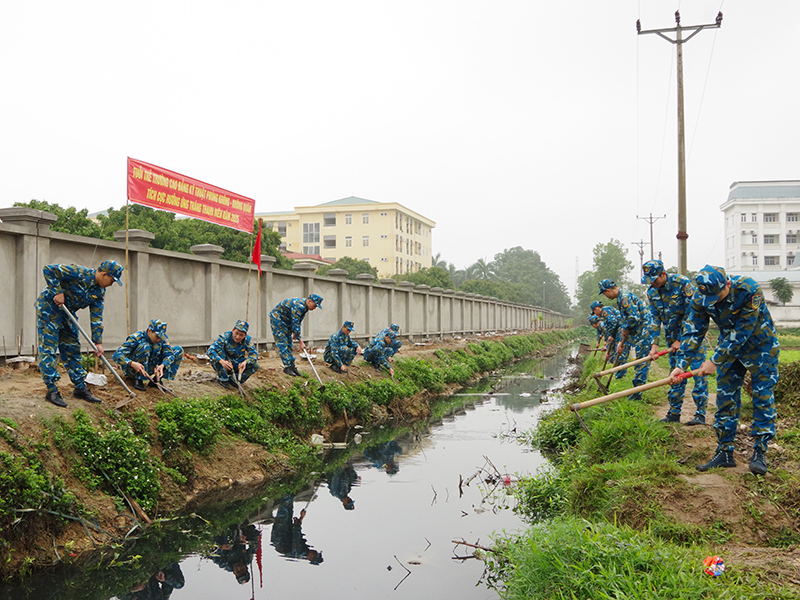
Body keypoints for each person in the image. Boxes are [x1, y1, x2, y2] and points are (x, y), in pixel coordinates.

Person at [670, 265, 779, 475]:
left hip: (761, 347)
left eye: (717, 296)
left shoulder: (748, 289)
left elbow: (743, 331)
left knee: (762, 396)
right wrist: (680, 365)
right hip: (728, 350)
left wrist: (714, 360)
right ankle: (725, 451)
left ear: (727, 284)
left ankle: (759, 451)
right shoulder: (701, 296)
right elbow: (693, 332)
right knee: (725, 397)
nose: (714, 301)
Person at [36, 260, 124, 407]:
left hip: (68, 313)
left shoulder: (99, 291)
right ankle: (51, 390)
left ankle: (80, 387)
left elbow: (96, 316)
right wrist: (58, 292)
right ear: (104, 274)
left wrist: (98, 342)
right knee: (49, 349)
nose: (111, 284)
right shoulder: (77, 272)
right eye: (112, 280)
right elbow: (49, 270)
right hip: (49, 310)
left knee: (72, 348)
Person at [642, 260, 708, 426]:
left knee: (697, 372)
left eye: (655, 279)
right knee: (675, 374)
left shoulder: (682, 284)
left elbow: (692, 314)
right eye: (650, 280)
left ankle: (700, 414)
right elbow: (655, 318)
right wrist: (654, 345)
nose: (653, 283)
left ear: (663, 274)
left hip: (693, 338)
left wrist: (681, 339)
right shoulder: (652, 292)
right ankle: (674, 413)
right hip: (672, 340)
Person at [598, 279, 655, 399]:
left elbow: (633, 317)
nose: (606, 297)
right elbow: (627, 317)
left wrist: (626, 328)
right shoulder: (621, 297)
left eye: (604, 294)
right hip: (637, 331)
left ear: (608, 290)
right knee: (640, 359)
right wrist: (623, 337)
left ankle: (637, 392)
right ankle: (637, 389)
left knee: (641, 360)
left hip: (643, 330)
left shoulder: (624, 298)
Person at [112, 319, 183, 391]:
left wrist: (162, 365)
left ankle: (156, 380)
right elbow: (117, 355)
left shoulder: (161, 340)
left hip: (151, 366)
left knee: (178, 350)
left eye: (161, 337)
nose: (159, 339)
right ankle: (138, 379)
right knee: (145, 346)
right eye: (157, 336)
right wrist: (132, 363)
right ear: (149, 331)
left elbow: (169, 354)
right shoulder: (136, 337)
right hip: (134, 369)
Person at [269, 294, 323, 377]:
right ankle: (287, 367)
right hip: (278, 319)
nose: (315, 308)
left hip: (287, 320)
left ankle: (292, 366)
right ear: (309, 301)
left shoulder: (305, 307)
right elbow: (295, 322)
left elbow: (298, 320)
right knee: (282, 342)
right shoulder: (299, 306)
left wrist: (295, 333)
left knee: (289, 342)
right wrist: (301, 341)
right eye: (315, 305)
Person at [270, 495, 323, 565]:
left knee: (284, 512)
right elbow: (298, 536)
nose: (315, 551)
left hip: (280, 537)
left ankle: (287, 493)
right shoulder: (305, 550)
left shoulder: (299, 552)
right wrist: (298, 523)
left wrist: (300, 519)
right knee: (289, 510)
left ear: (310, 558)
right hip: (286, 533)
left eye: (315, 554)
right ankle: (290, 493)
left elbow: (296, 538)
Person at [207, 319, 259, 389]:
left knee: (255, 365)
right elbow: (210, 351)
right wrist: (221, 361)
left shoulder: (247, 340)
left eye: (241, 335)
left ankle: (235, 380)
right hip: (224, 362)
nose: (237, 337)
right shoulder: (225, 337)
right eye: (236, 333)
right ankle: (223, 378)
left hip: (237, 363)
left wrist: (245, 362)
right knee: (217, 354)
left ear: (245, 335)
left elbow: (254, 355)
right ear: (233, 330)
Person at [590, 300, 631, 379]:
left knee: (621, 354)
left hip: (621, 331)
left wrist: (611, 336)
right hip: (619, 332)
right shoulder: (607, 310)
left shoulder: (604, 311)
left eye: (595, 313)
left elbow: (613, 323)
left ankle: (621, 376)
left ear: (596, 309)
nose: (597, 315)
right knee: (618, 354)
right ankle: (619, 375)